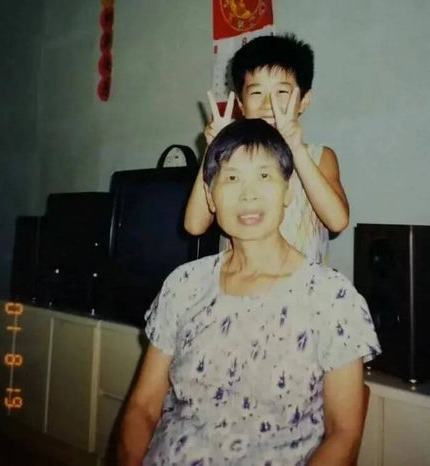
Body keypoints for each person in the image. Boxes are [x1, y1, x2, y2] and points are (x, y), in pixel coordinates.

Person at [118, 119, 381, 465]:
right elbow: (142, 407)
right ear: (210, 197)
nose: (248, 194)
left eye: (264, 176)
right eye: (231, 177)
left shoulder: (333, 298)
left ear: (288, 191)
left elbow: (343, 433)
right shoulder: (183, 285)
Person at [185, 34, 349, 263]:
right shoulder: (230, 158)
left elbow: (338, 221)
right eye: (256, 93)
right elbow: (194, 225)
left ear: (304, 101)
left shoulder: (319, 157)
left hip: (301, 291)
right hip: (238, 288)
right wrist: (215, 149)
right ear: (241, 105)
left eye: (281, 92)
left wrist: (295, 148)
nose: (268, 105)